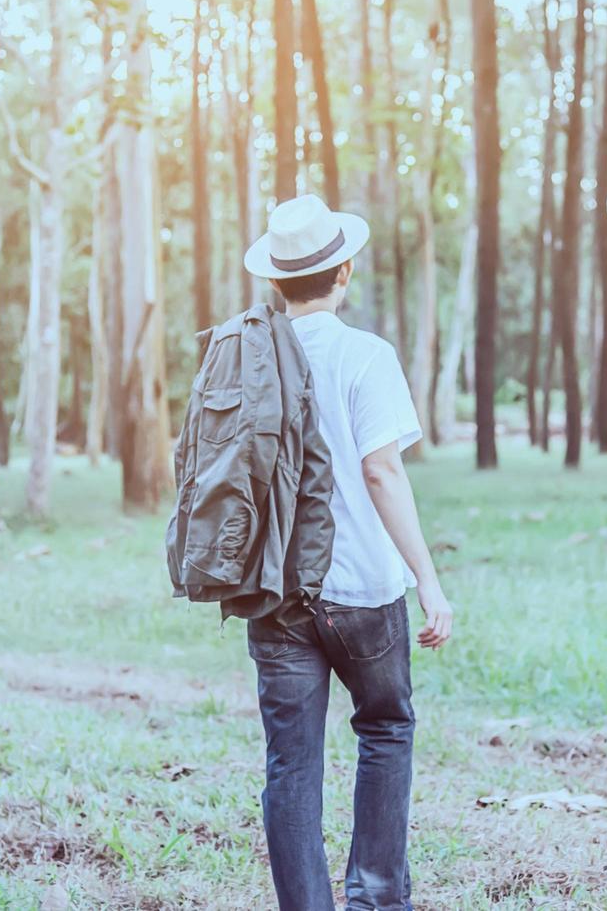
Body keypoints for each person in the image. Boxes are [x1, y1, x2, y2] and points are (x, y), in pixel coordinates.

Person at [240, 194, 455, 911]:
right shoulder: (367, 355)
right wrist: (429, 579)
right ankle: (375, 900)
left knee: (290, 764)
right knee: (386, 729)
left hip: (275, 593)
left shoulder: (251, 361)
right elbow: (381, 470)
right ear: (344, 271)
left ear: (276, 282)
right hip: (363, 588)